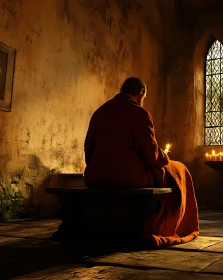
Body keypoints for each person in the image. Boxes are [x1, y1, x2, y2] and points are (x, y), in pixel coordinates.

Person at [84, 77, 199, 247]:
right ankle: (175, 222)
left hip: (95, 175)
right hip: (128, 175)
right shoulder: (139, 112)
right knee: (178, 169)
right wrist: (164, 157)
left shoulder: (100, 112)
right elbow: (152, 154)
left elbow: (88, 150)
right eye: (143, 97)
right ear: (140, 93)